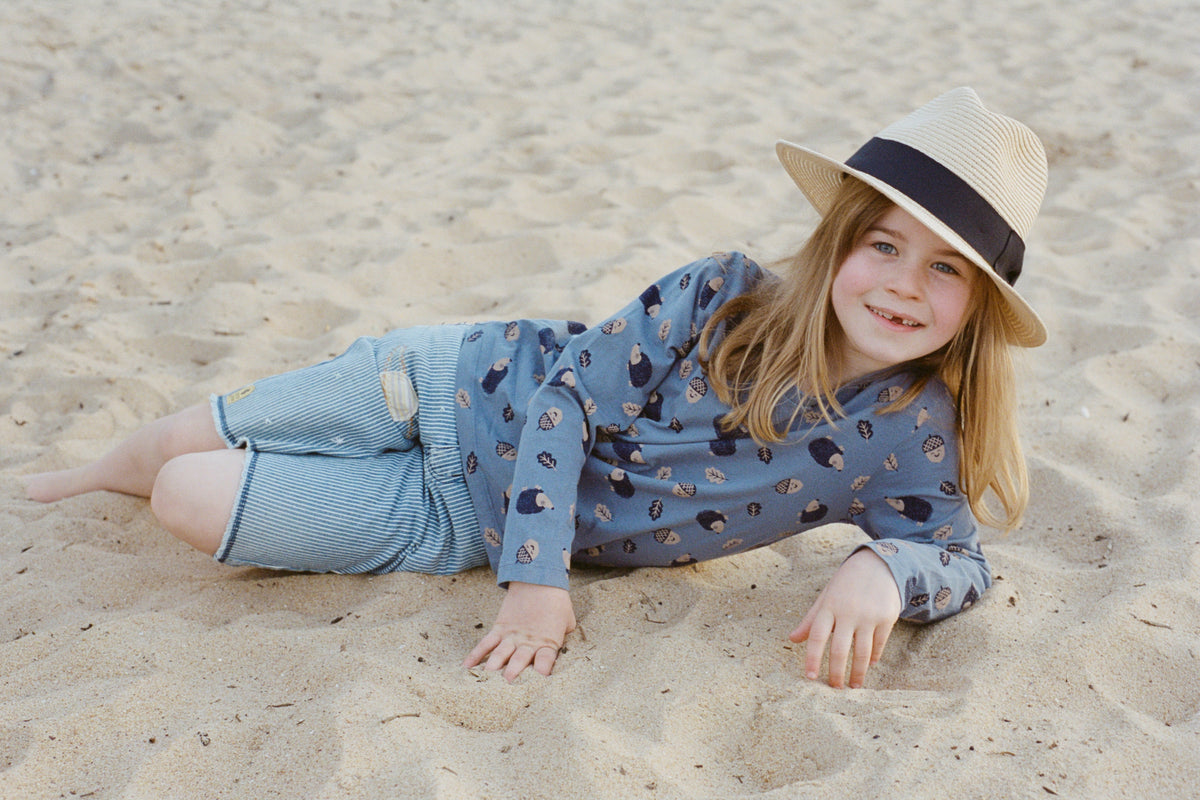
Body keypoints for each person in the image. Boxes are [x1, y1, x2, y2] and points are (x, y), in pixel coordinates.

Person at [24, 87, 1048, 689]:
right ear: (840, 242)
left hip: (452, 518)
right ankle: (78, 475)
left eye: (946, 267)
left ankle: (160, 472)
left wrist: (885, 569)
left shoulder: (910, 435)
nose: (905, 284)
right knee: (160, 454)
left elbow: (958, 558)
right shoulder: (726, 294)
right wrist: (540, 579)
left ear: (979, 305)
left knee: (187, 497)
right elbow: (565, 398)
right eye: (885, 243)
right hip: (444, 382)